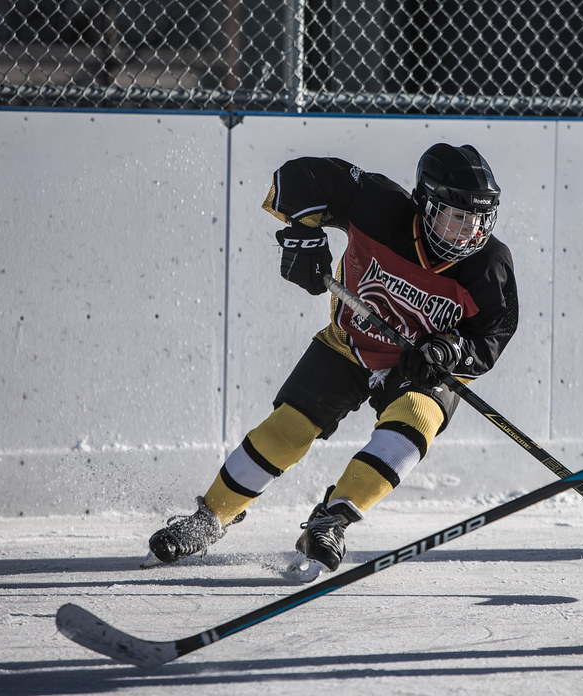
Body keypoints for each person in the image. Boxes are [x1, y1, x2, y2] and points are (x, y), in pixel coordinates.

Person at [146, 143, 519, 582]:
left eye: (477, 221)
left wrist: (449, 350)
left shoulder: (489, 263)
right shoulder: (378, 205)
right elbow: (296, 177)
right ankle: (210, 518)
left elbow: (492, 334)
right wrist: (303, 236)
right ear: (424, 204)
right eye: (455, 217)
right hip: (349, 342)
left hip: (421, 367)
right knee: (289, 427)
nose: (466, 233)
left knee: (417, 420)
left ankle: (332, 520)